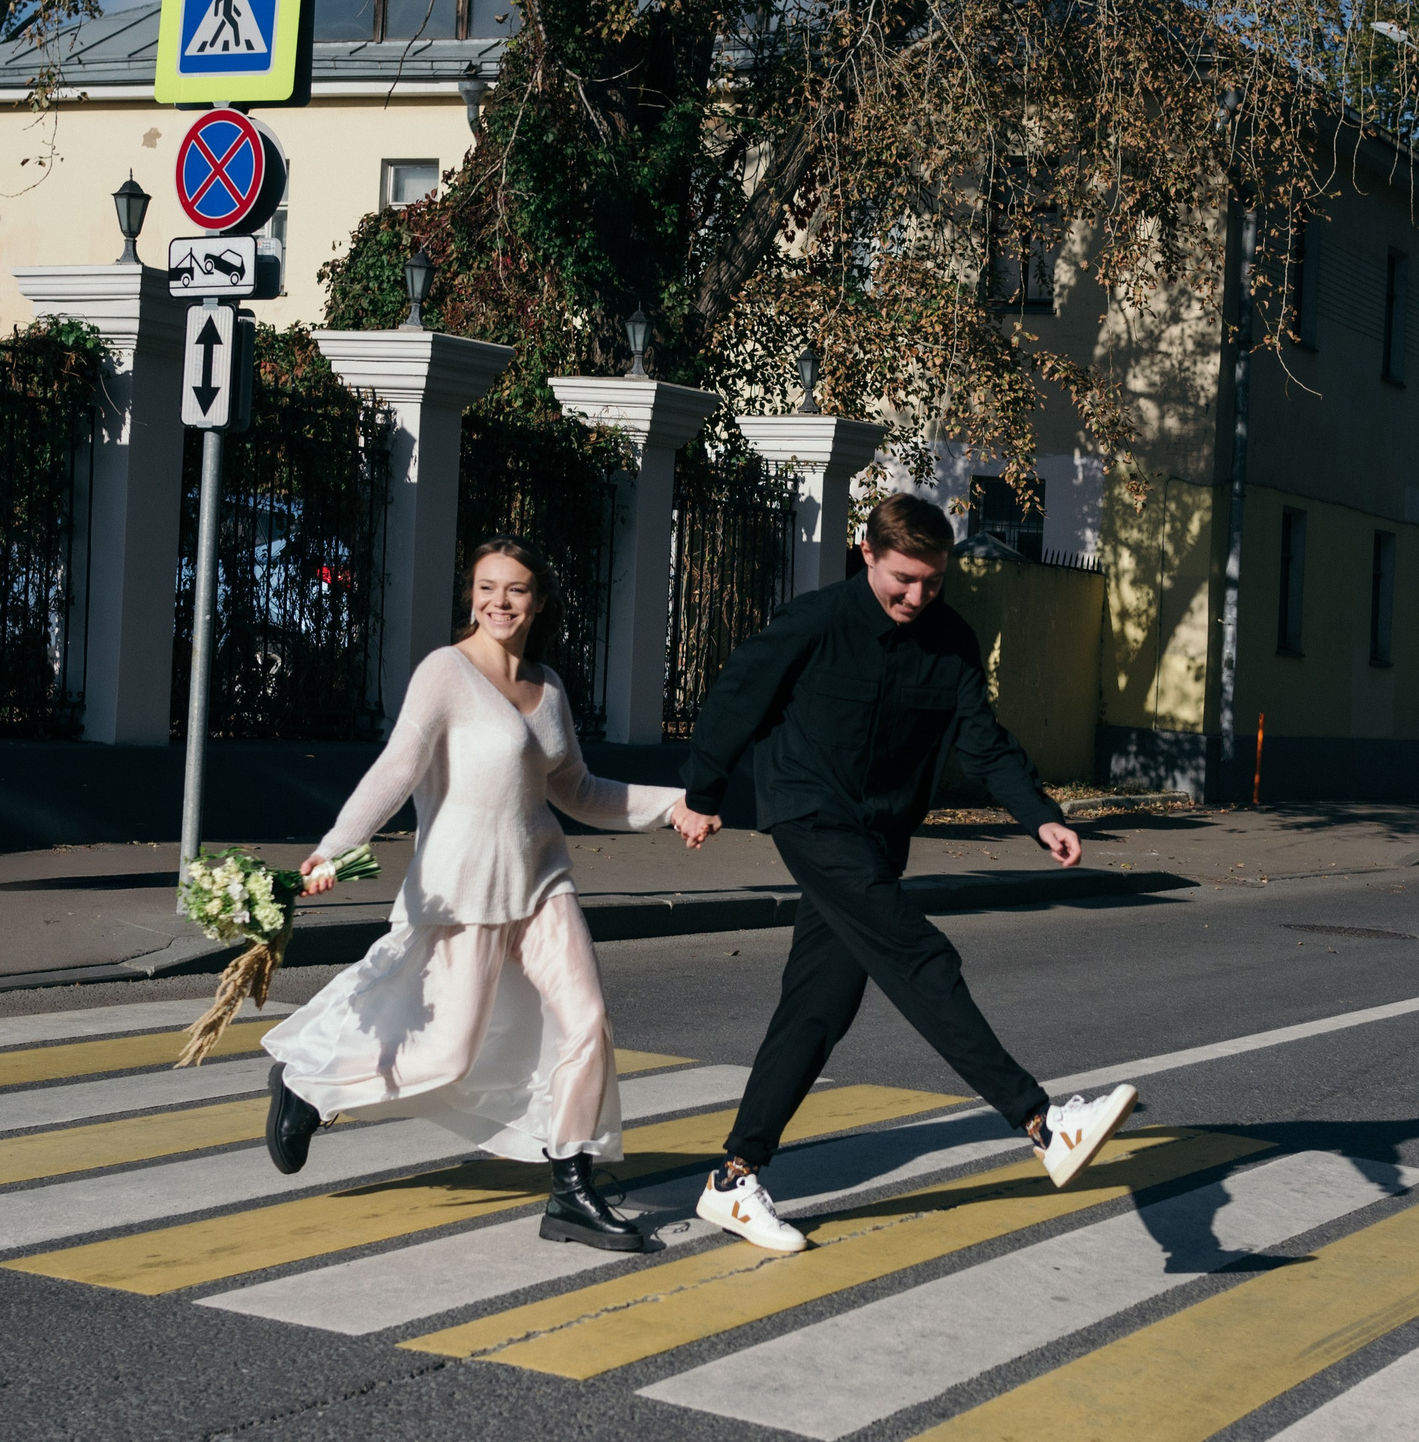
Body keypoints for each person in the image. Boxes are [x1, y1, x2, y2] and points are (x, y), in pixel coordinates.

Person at [673, 494, 1137, 1253]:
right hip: (810, 812)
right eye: (902, 579)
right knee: (920, 956)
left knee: (819, 1005)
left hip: (880, 833)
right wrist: (701, 792)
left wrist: (1039, 814)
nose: (916, 596)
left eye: (931, 581)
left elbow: (981, 741)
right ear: (867, 554)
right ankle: (1041, 1122)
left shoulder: (951, 640)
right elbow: (737, 693)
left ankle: (733, 1176)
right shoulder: (816, 621)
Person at [260, 537, 690, 1253]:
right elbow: (397, 767)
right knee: (446, 1053)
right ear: (472, 595)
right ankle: (309, 1083)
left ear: (538, 601)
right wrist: (334, 848)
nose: (499, 600)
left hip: (541, 882)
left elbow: (577, 790)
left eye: (516, 588)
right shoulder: (445, 672)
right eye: (487, 586)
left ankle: (573, 1189)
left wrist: (670, 806)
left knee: (587, 1021)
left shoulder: (549, 686)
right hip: (465, 888)